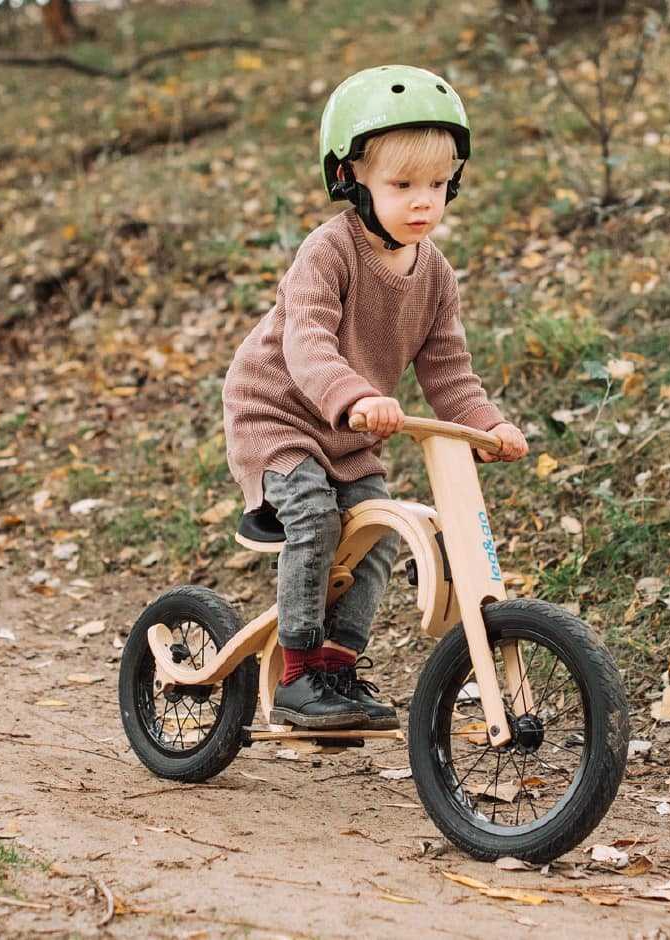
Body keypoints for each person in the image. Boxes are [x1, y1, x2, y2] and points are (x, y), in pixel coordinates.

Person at [221, 64, 528, 730]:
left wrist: (487, 424)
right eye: (402, 185)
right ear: (350, 177)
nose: (424, 202)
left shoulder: (434, 273)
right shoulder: (328, 252)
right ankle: (299, 672)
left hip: (352, 428)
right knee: (315, 515)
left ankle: (336, 663)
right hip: (280, 412)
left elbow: (447, 367)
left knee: (381, 531)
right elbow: (307, 346)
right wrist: (357, 395)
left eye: (438, 185)